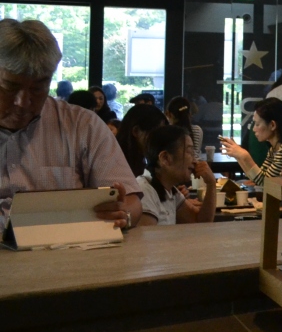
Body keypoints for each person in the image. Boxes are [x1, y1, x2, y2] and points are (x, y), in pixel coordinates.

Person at [0, 19, 141, 232]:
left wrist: (123, 214)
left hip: (65, 249)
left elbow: (131, 201)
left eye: (37, 88)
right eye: (10, 86)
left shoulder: (82, 126)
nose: (23, 101)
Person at [137, 126, 217, 226]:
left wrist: (211, 184)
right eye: (189, 152)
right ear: (165, 158)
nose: (195, 160)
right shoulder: (144, 191)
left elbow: (200, 223)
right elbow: (147, 236)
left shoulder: (170, 190)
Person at [220, 97, 282, 184]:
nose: (254, 129)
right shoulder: (273, 149)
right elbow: (257, 178)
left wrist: (244, 155)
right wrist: (238, 156)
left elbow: (265, 183)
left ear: (272, 125)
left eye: (257, 124)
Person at [115, 103, 168, 178]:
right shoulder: (116, 165)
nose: (161, 140)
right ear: (136, 131)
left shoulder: (140, 161)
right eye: (156, 134)